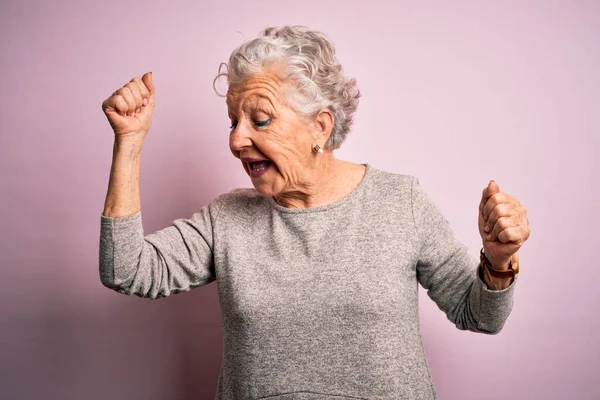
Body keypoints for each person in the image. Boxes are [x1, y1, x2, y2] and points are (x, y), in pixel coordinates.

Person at [99, 26, 530, 400]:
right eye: (233, 121)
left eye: (260, 120)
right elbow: (127, 268)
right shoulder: (226, 219)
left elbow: (481, 316)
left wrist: (498, 259)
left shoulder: (401, 202)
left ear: (320, 127)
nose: (236, 140)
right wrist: (129, 142)